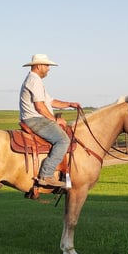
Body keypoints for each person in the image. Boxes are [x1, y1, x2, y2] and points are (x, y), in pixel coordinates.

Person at [19, 53, 80, 188]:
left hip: (36, 118)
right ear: (39, 66)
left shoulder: (36, 81)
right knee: (63, 140)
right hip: (35, 119)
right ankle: (46, 175)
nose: (48, 68)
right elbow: (40, 106)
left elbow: (50, 102)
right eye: (47, 65)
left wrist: (69, 104)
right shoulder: (34, 80)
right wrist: (55, 120)